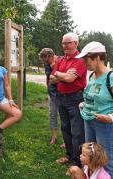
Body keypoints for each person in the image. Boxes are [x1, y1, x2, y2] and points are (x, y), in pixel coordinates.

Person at [75, 41, 113, 178]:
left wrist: (110, 117)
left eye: (87, 59)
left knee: (106, 159)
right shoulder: (91, 76)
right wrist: (84, 104)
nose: (85, 63)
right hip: (88, 121)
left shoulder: (110, 77)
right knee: (89, 156)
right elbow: (93, 97)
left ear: (97, 57)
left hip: (105, 125)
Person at [50, 32, 87, 168]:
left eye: (68, 43)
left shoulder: (80, 60)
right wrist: (62, 75)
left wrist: (59, 74)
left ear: (76, 43)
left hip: (76, 98)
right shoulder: (61, 59)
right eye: (63, 43)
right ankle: (69, 155)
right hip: (61, 97)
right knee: (65, 128)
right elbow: (51, 79)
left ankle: (77, 162)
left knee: (77, 131)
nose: (64, 45)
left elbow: (70, 79)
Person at [38, 48, 65, 147]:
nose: (46, 63)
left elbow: (64, 77)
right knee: (52, 114)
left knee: (64, 117)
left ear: (52, 56)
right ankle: (54, 136)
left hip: (62, 94)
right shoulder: (47, 64)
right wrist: (48, 89)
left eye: (47, 60)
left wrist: (55, 69)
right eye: (44, 61)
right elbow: (48, 77)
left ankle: (66, 140)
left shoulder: (62, 61)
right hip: (52, 94)